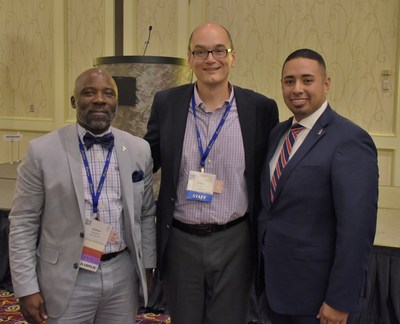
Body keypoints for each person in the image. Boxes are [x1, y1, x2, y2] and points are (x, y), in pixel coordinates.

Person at [144, 22, 279, 324]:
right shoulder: (167, 103)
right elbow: (147, 158)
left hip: (235, 240)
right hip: (180, 240)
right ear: (189, 58)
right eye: (201, 52)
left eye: (219, 50)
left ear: (233, 57)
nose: (210, 59)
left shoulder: (260, 108)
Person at [8, 67, 156, 324]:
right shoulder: (42, 151)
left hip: (122, 274)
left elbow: (146, 215)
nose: (99, 99)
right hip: (66, 276)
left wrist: (148, 267)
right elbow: (23, 222)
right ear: (74, 101)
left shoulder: (138, 149)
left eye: (108, 93)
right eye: (89, 92)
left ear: (115, 102)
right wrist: (26, 287)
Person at [258, 48, 379, 324]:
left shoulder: (349, 140)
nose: (297, 89)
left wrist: (339, 300)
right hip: (274, 290)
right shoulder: (278, 133)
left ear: (326, 84)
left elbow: (356, 230)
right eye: (289, 81)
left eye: (307, 80)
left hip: (317, 299)